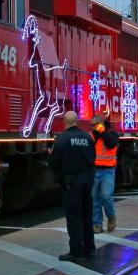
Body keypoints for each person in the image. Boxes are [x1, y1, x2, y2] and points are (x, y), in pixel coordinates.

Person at [48, 111, 96, 262]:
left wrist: (50, 153)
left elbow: (53, 163)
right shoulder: (88, 137)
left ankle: (76, 251)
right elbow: (93, 158)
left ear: (65, 122)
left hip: (71, 183)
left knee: (74, 216)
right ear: (77, 121)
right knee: (87, 214)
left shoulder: (62, 139)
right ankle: (90, 248)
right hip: (87, 181)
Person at [90, 114, 119, 233]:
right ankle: (97, 224)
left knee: (106, 196)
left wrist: (102, 131)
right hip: (94, 170)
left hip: (108, 171)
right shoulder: (92, 136)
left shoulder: (112, 134)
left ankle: (111, 217)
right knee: (94, 198)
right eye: (91, 125)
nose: (92, 127)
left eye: (94, 125)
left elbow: (111, 143)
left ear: (101, 124)